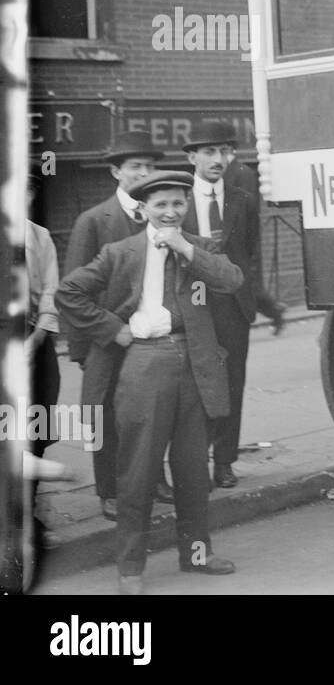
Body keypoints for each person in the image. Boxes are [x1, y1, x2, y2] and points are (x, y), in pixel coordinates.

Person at [56, 171, 243, 595]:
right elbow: (69, 292)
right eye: (161, 205)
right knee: (137, 470)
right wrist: (111, 329)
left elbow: (231, 280)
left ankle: (196, 555)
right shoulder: (119, 252)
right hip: (144, 363)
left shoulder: (201, 247)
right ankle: (131, 568)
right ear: (143, 210)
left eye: (178, 203)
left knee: (193, 469)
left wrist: (186, 248)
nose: (171, 211)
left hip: (196, 365)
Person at [61, 130, 171, 520]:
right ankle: (109, 491)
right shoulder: (93, 221)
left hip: (149, 338)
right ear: (115, 172)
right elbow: (71, 289)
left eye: (150, 165)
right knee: (103, 413)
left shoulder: (160, 216)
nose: (144, 172)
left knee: (151, 410)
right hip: (107, 339)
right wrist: (86, 347)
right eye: (135, 166)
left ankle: (154, 479)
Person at [181, 121, 261, 488]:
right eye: (210, 152)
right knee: (193, 387)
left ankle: (224, 462)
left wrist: (250, 297)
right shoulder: (178, 200)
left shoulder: (242, 200)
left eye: (225, 151)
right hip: (193, 306)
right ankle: (192, 463)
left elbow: (250, 252)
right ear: (192, 156)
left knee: (232, 384)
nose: (219, 159)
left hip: (232, 307)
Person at [25, 170, 64, 545]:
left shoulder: (40, 237)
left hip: (34, 344)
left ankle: (28, 513)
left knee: (36, 428)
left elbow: (51, 292)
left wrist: (37, 337)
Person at [224, 149, 287, 334]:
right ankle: (274, 311)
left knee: (247, 285)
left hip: (242, 239)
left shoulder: (243, 172)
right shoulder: (230, 172)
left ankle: (274, 311)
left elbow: (246, 208)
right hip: (232, 240)